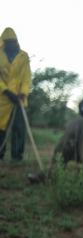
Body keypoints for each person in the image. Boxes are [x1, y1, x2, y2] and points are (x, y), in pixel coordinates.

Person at [0, 27, 31, 161]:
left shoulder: (23, 56)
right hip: (3, 97)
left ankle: (17, 157)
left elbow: (26, 76)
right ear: (3, 42)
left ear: (16, 41)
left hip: (19, 98)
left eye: (12, 41)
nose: (10, 44)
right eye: (7, 42)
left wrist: (23, 94)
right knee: (0, 127)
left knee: (19, 127)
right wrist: (6, 92)